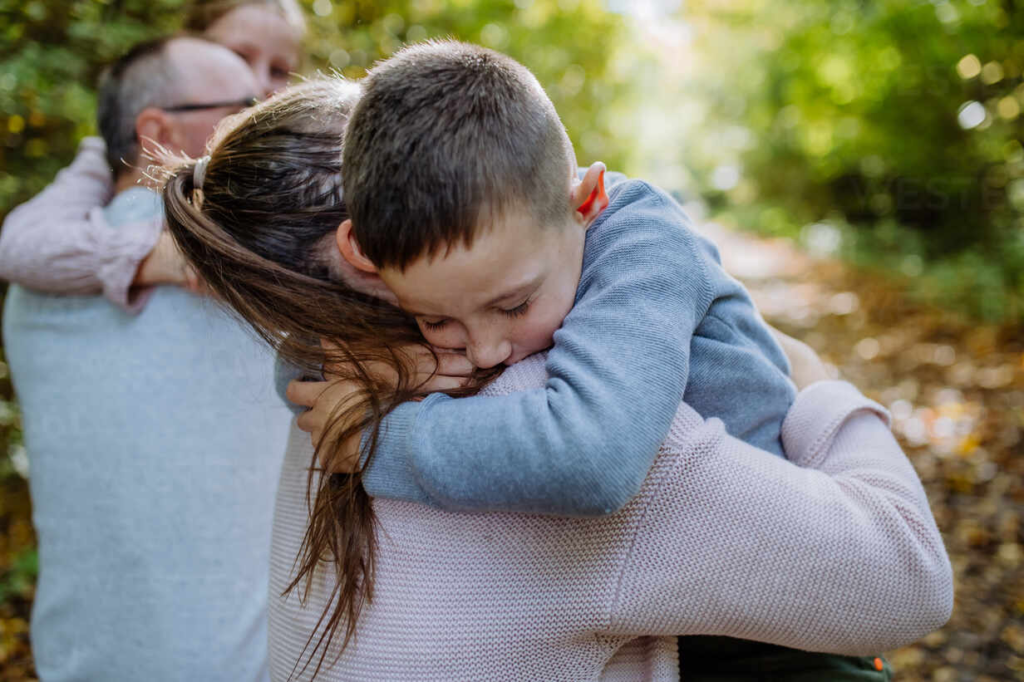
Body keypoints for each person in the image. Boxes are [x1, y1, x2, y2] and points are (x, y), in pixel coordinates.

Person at [160, 77, 952, 680]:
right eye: (438, 318)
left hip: (777, 611)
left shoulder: (626, 255)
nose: (487, 349)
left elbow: (593, 450)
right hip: (752, 603)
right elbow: (909, 584)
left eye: (509, 304)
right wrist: (824, 383)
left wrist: (377, 434)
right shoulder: (370, 373)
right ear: (371, 253)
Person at [1, 36, 293, 682]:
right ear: (158, 129)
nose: (267, 110)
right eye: (243, 105)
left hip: (76, 660)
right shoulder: (255, 272)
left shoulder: (31, 292)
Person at [0, 0, 305, 309]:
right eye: (239, 57)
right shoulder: (109, 159)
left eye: (279, 71)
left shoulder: (297, 161)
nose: (260, 84)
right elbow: (20, 247)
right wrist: (155, 255)